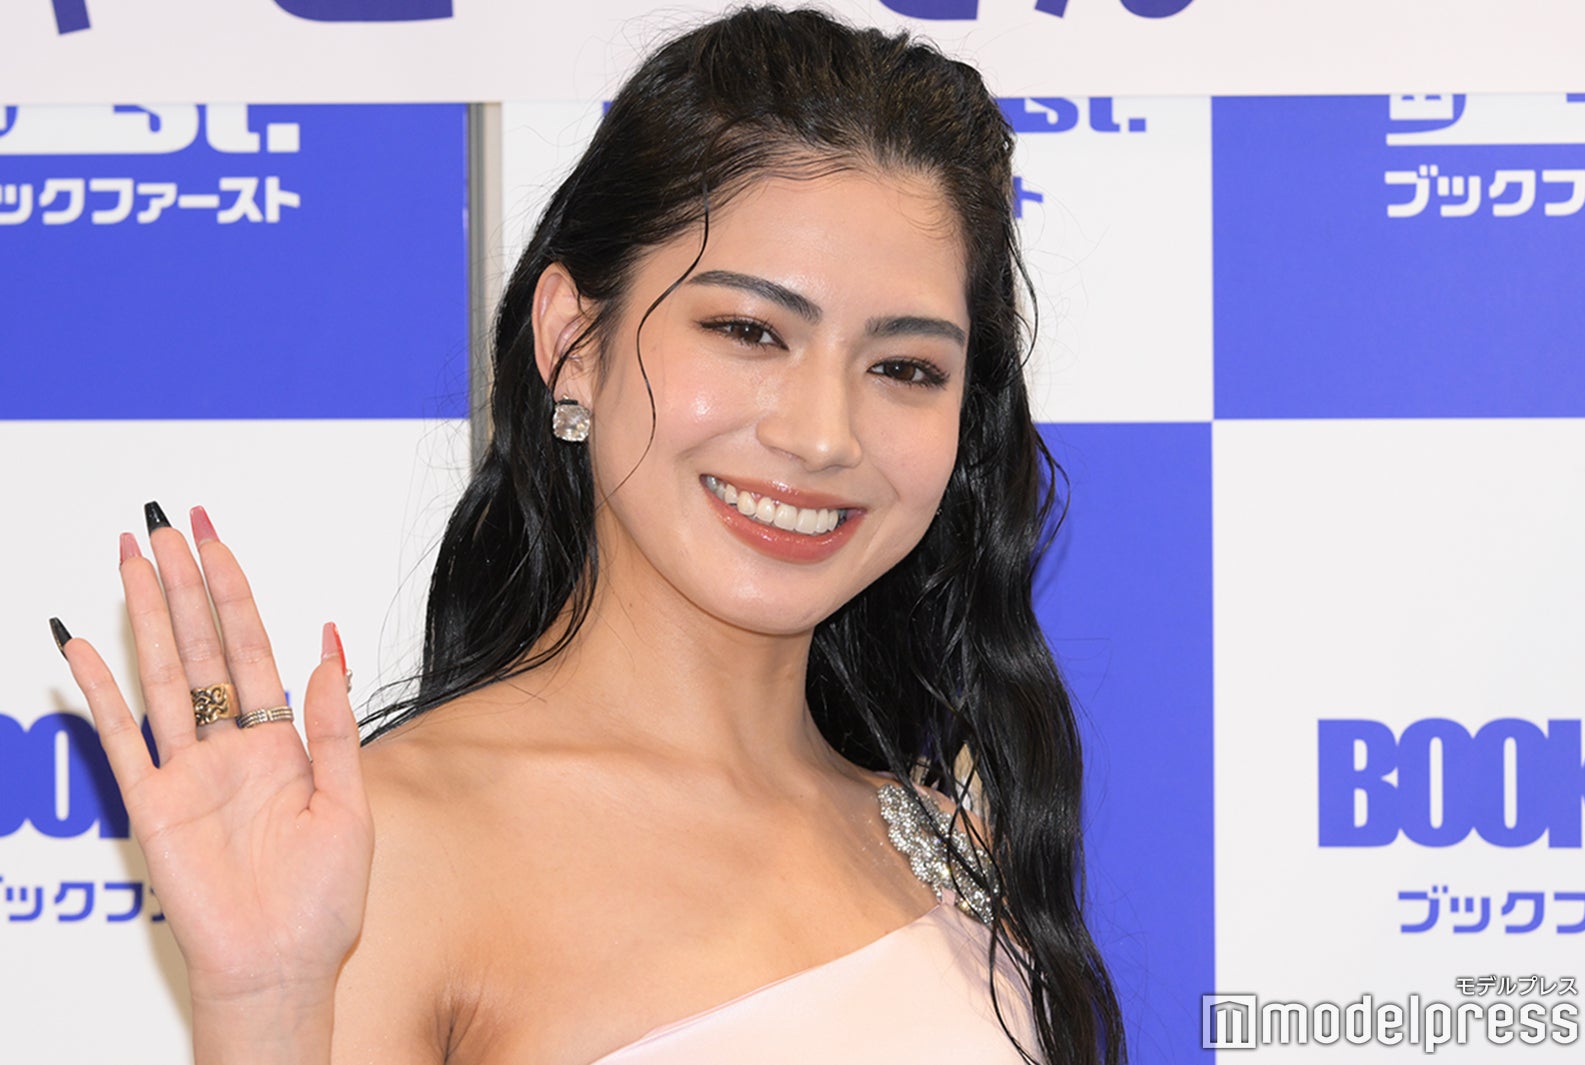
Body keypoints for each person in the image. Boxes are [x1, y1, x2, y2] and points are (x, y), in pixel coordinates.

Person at [52, 7, 1125, 1063]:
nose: (821, 435)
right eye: (749, 331)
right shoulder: (382, 847)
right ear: (573, 342)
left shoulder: (948, 836)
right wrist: (267, 1009)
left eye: (904, 367)